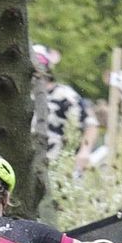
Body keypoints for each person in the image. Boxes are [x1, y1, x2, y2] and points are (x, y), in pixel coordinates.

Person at [33, 44, 98, 173]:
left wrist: (84, 152)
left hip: (59, 164)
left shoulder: (65, 96)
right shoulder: (25, 96)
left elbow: (91, 124)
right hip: (30, 163)